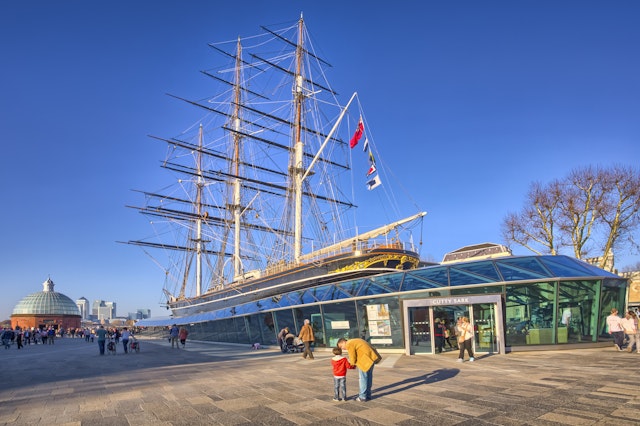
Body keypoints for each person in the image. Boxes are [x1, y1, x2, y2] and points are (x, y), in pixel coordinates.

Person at [337, 337, 381, 402]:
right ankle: (368, 395)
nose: (342, 348)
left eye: (341, 346)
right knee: (369, 378)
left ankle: (362, 397)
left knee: (363, 379)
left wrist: (351, 364)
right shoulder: (355, 340)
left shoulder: (349, 343)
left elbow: (352, 356)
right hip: (371, 359)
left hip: (364, 361)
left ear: (344, 342)